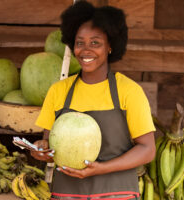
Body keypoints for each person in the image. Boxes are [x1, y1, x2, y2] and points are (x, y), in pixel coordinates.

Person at [31, 1, 156, 199]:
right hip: (67, 194)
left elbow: (148, 150)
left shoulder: (129, 91)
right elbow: (48, 143)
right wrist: (40, 150)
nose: (86, 50)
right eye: (80, 43)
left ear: (110, 47)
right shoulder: (58, 91)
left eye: (95, 43)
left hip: (118, 194)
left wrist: (102, 168)